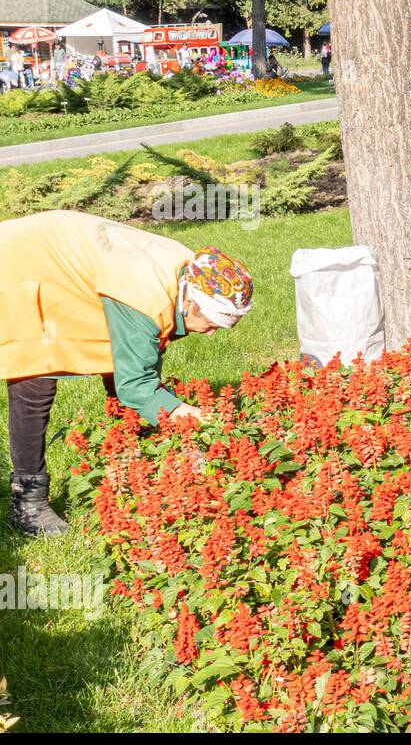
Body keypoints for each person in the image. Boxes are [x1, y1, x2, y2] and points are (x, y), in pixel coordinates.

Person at [0, 210, 254, 537]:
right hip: (22, 261)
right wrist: (192, 418)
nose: (210, 334)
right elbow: (135, 386)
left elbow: (135, 361)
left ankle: (128, 462)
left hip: (64, 254)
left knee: (117, 359)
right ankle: (28, 503)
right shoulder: (146, 294)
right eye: (213, 324)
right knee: (34, 376)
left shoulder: (193, 274)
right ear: (191, 304)